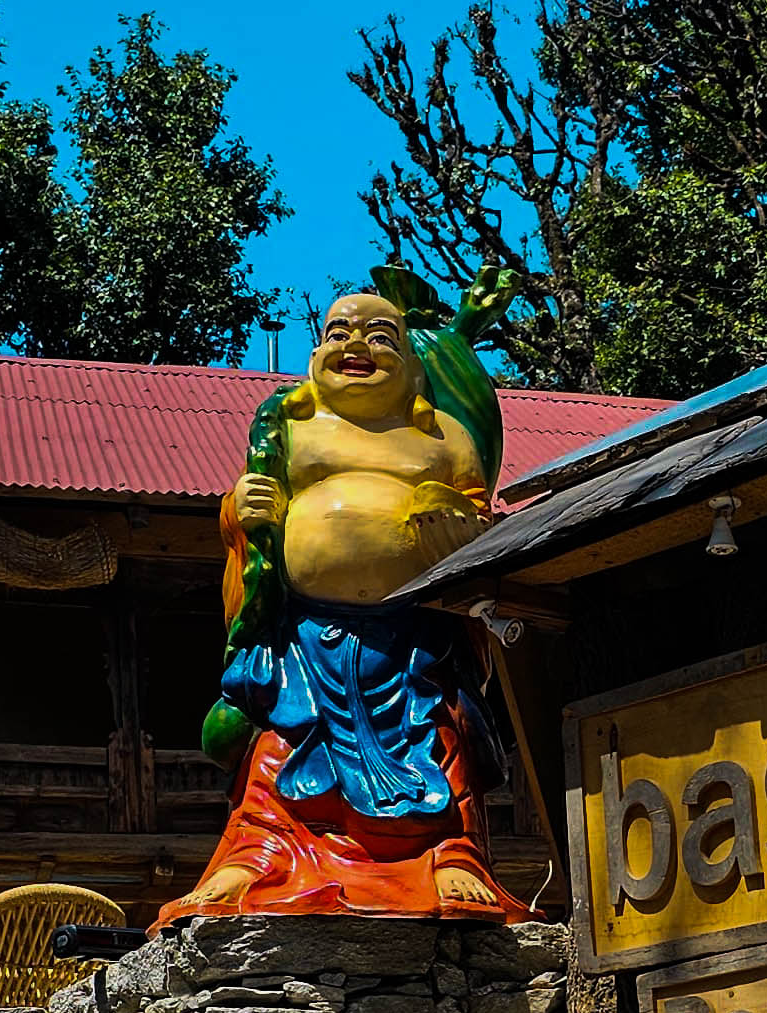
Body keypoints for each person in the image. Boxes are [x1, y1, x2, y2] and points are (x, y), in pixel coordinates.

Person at [162, 282, 525, 920]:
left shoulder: (443, 436)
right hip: (304, 634)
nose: (357, 345)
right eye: (339, 332)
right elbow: (249, 515)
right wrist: (239, 513)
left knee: (441, 735)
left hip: (412, 634)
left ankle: (452, 853)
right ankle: (255, 851)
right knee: (278, 742)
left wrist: (452, 520)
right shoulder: (289, 424)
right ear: (315, 354)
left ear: (412, 364)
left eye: (380, 337)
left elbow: (478, 515)